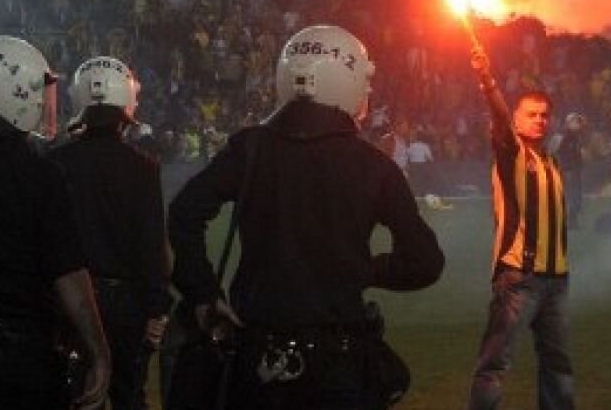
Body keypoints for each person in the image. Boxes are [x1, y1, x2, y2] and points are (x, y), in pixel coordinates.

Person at [168, 25, 445, 408]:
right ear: (346, 81)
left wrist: (204, 294)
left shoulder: (249, 149)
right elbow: (426, 263)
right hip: (339, 363)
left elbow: (184, 213)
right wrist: (364, 270)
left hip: (256, 359)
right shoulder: (373, 166)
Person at [0, 36, 111, 409]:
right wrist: (98, 352)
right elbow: (69, 275)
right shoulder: (43, 176)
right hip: (25, 364)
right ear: (15, 94)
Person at [48, 56, 171, 410]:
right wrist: (157, 309)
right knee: (129, 396)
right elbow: (151, 247)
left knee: (72, 395)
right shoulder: (143, 168)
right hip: (126, 308)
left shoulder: (54, 163)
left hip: (67, 304)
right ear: (126, 103)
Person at [467, 45, 574, 410]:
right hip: (519, 277)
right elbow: (498, 117)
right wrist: (487, 79)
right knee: (495, 363)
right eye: (531, 114)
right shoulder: (511, 152)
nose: (540, 120)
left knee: (558, 366)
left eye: (545, 115)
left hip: (556, 279)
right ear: (516, 119)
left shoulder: (551, 161)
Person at [551, 112, 586, 227]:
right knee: (571, 196)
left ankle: (572, 220)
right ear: (569, 123)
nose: (578, 124)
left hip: (576, 170)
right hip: (568, 171)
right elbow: (557, 154)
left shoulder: (576, 137)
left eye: (578, 122)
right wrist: (564, 169)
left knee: (576, 196)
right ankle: (568, 220)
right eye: (576, 122)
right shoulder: (564, 137)